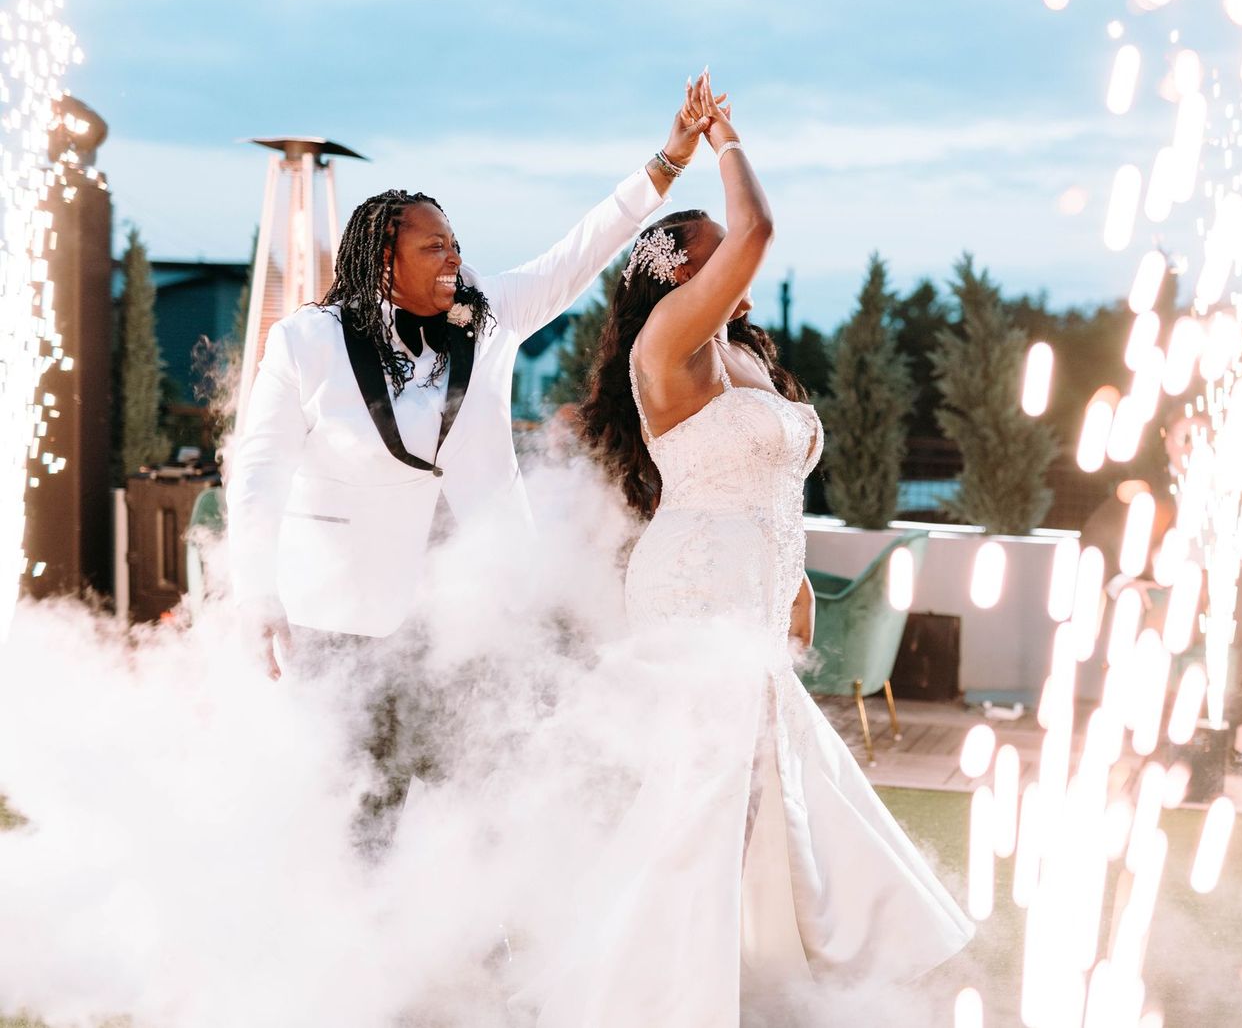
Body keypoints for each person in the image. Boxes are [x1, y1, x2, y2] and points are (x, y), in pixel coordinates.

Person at [552, 72, 971, 1023]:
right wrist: (723, 141)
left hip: (753, 587)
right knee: (702, 791)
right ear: (675, 277)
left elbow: (771, 483)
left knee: (766, 779)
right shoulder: (667, 342)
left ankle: (765, 964)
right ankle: (652, 991)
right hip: (694, 591)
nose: (730, 266)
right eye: (710, 255)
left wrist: (795, 583)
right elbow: (760, 230)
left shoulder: (744, 352)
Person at [226, 82, 708, 852]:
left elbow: (579, 252)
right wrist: (256, 590)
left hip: (476, 602)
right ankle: (355, 922)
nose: (455, 256)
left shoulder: (490, 311)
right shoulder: (306, 343)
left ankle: (471, 917)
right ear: (384, 261)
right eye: (434, 247)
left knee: (480, 786)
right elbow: (259, 473)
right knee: (355, 804)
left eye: (454, 242)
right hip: (344, 611)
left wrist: (668, 162)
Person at [1081, 408, 1242, 703]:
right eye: (1185, 438)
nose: (1193, 447)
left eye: (1202, 439)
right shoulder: (1146, 491)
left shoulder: (1231, 492)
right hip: (1170, 590)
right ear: (1167, 443)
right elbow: (1094, 539)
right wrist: (1122, 582)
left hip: (1223, 591)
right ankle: (1149, 701)